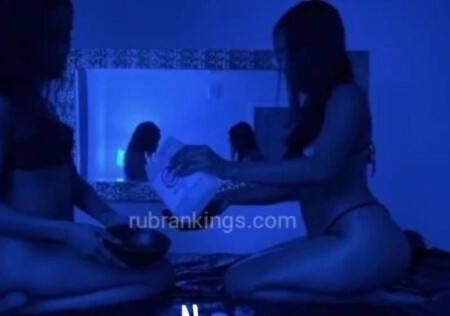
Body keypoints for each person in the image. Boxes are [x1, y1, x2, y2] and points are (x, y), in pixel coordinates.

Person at [170, 0, 411, 300]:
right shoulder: (315, 107)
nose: (280, 63)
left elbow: (322, 169)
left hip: (364, 238)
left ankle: (373, 300)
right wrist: (224, 198)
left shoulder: (347, 96)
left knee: (240, 281)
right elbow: (294, 185)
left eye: (285, 53)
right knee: (239, 274)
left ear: (311, 50)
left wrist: (226, 168)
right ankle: (362, 296)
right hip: (337, 237)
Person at [0, 0, 173, 313]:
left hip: (48, 251)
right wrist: (65, 231)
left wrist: (112, 219)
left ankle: (27, 302)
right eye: (52, 37)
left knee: (161, 270)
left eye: (66, 36)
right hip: (14, 257)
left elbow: (73, 183)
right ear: (20, 41)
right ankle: (24, 306)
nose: (63, 49)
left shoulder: (42, 106)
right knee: (157, 278)